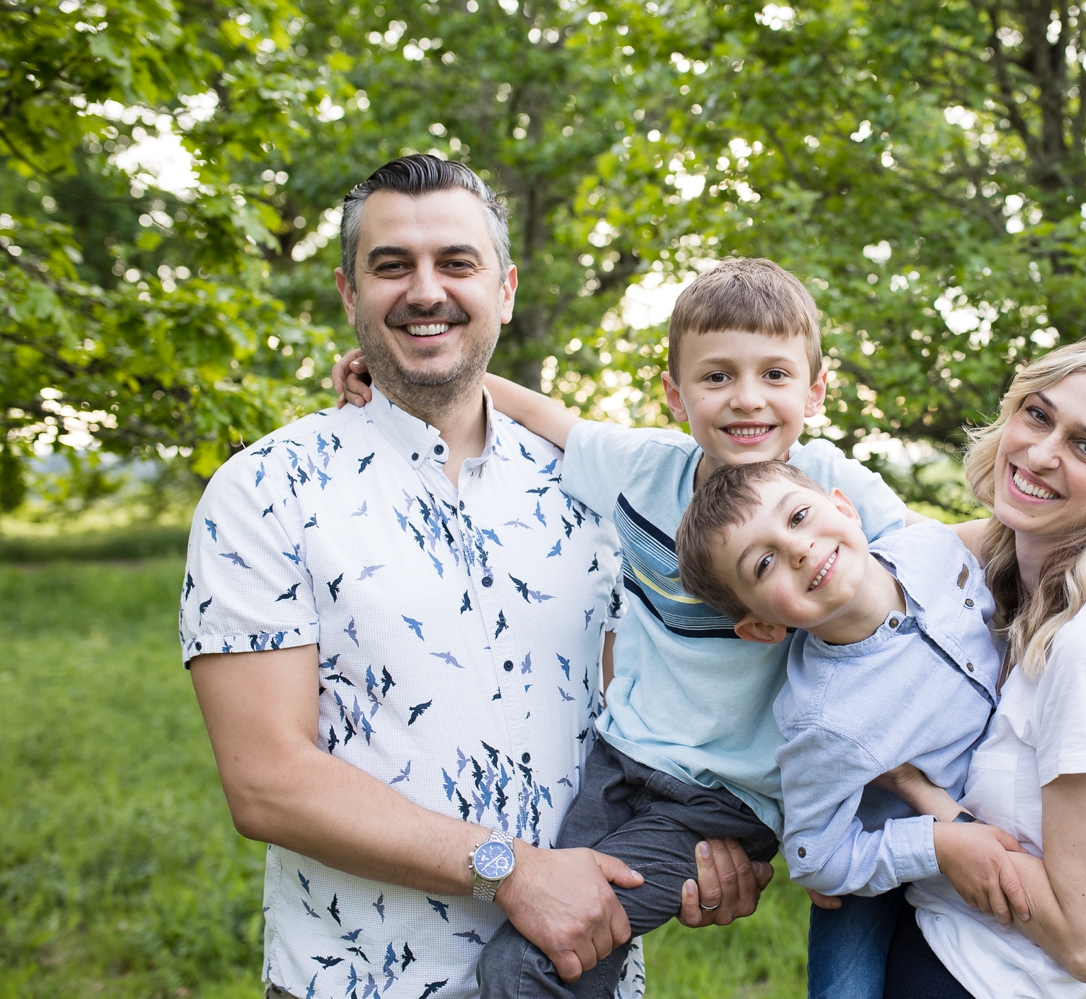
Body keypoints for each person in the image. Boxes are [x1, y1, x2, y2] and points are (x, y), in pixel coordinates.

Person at [180, 155, 765, 999]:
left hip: (583, 976)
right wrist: (508, 869)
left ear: (506, 289)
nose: (425, 291)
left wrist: (701, 849)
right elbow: (267, 780)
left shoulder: (591, 492)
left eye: (456, 263)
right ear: (350, 295)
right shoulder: (267, 490)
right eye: (392, 266)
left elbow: (643, 719)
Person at [333, 257, 915, 999]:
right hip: (619, 759)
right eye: (717, 377)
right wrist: (402, 378)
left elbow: (927, 565)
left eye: (775, 374)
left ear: (816, 389)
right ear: (675, 394)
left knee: (529, 964)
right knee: (565, 929)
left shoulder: (826, 490)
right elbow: (543, 416)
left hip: (717, 794)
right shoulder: (645, 470)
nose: (748, 400)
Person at [882, 338, 1086, 998]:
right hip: (932, 949)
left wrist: (914, 792)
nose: (1040, 453)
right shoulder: (1014, 570)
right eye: (1037, 414)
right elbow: (867, 551)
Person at [675, 461, 1036, 999]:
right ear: (764, 628)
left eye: (799, 516)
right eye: (764, 562)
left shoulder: (937, 553)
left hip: (1002, 795)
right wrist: (935, 844)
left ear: (845, 508)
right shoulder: (826, 720)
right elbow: (813, 855)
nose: (798, 549)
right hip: (895, 840)